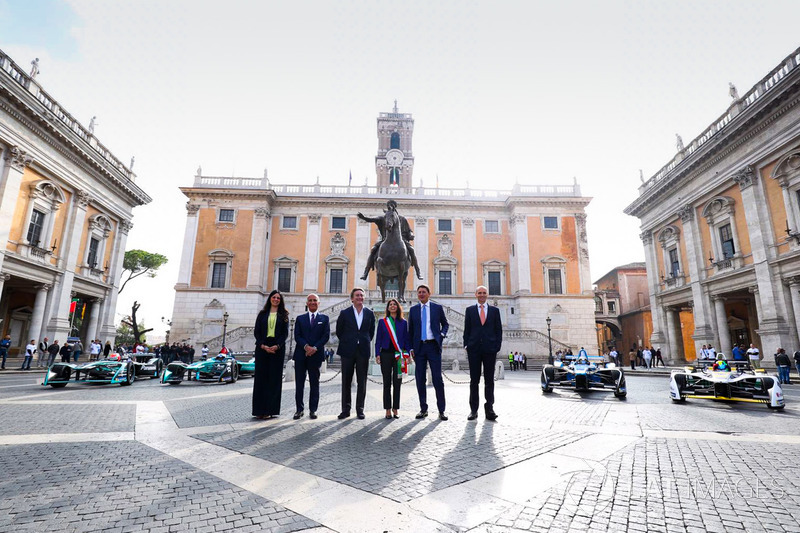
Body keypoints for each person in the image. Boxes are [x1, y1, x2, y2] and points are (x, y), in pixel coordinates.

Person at [408, 284, 450, 421]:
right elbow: (411, 331)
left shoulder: (437, 308)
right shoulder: (413, 310)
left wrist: (442, 335)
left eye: (423, 292)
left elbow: (445, 324)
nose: (421, 294)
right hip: (419, 348)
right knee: (420, 379)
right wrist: (411, 349)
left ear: (429, 293)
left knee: (437, 379)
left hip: (433, 346)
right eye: (419, 292)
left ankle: (441, 410)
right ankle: (423, 409)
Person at [463, 285, 503, 421]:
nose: (481, 295)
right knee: (474, 381)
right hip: (473, 349)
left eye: (484, 293)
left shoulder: (494, 311)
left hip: (490, 349)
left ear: (487, 295)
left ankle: (489, 409)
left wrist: (497, 346)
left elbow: (498, 330)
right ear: (475, 294)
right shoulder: (469, 311)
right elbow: (466, 330)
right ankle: (473, 410)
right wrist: (466, 345)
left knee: (489, 380)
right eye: (479, 293)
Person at [336, 287, 376, 420]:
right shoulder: (344, 313)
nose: (360, 298)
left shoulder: (370, 313)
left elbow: (371, 332)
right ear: (352, 298)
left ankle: (360, 409)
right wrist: (349, 341)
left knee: (362, 381)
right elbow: (339, 331)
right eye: (357, 295)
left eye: (361, 296)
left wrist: (362, 340)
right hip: (347, 350)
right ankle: (345, 410)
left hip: (363, 350)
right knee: (346, 381)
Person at [358, 200, 422, 280]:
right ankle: (366, 272)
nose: (390, 206)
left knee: (411, 250)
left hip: (402, 241)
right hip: (385, 240)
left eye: (392, 205)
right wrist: (364, 218)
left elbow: (409, 231)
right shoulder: (383, 218)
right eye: (389, 205)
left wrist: (411, 235)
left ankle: (418, 272)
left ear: (394, 207)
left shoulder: (402, 219)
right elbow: (372, 219)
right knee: (373, 249)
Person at [253, 290, 289, 420]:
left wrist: (277, 345)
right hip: (262, 347)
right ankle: (259, 410)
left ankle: (270, 409)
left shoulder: (284, 315)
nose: (276, 299)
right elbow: (257, 332)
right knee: (260, 379)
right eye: (274, 297)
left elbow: (285, 334)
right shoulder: (262, 314)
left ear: (281, 300)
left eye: (278, 298)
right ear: (270, 299)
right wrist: (263, 345)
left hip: (277, 348)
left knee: (274, 380)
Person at [292, 293, 330, 420]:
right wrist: (306, 347)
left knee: (315, 384)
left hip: (316, 355)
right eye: (310, 300)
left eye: (315, 300)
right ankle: (299, 409)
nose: (313, 302)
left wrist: (315, 348)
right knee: (299, 384)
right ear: (307, 303)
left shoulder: (325, 318)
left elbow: (325, 336)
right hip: (301, 355)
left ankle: (313, 410)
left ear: (319, 303)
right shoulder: (300, 318)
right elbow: (297, 336)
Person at [375, 299, 410, 419]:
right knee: (386, 383)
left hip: (398, 355)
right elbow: (378, 339)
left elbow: (406, 339)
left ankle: (395, 408)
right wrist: (377, 354)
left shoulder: (403, 322)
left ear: (398, 307)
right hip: (385, 354)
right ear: (388, 308)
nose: (393, 306)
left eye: (395, 304)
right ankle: (387, 409)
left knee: (397, 382)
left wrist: (407, 354)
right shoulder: (382, 322)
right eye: (390, 304)